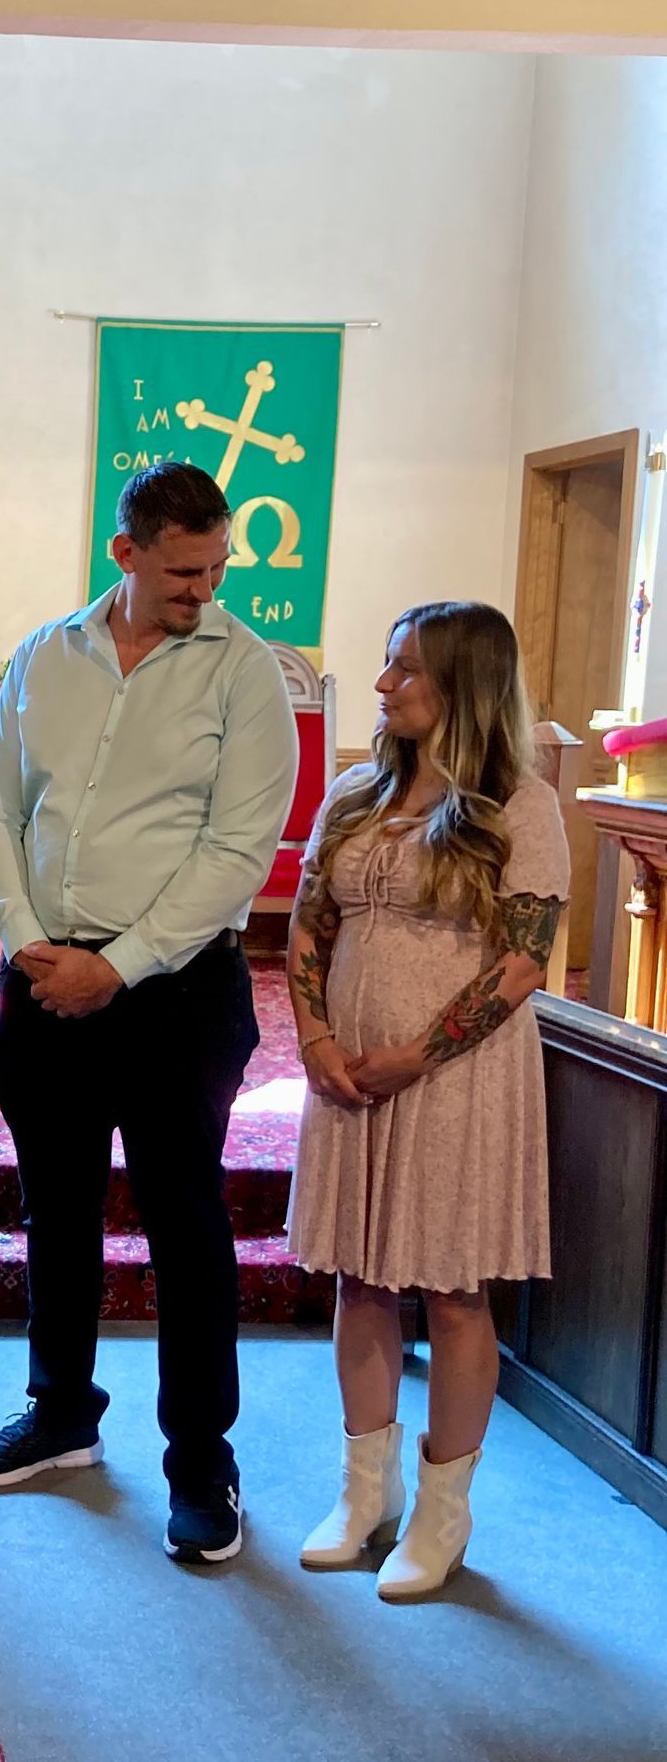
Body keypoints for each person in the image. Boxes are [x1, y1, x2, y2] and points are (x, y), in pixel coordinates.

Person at [0, 460, 298, 1564]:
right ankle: (61, 1413)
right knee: (55, 1209)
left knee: (185, 1225)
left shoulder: (244, 674)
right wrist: (25, 942)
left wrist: (120, 966)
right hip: (43, 978)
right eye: (184, 572)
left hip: (177, 995)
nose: (205, 590)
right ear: (127, 553)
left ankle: (201, 1461)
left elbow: (237, 851)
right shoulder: (45, 655)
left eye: (216, 569)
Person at [287, 603, 568, 1600]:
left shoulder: (520, 804)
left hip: (457, 1077)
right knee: (359, 1279)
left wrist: (413, 1055)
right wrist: (317, 1040)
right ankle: (365, 1494)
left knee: (451, 1290)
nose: (382, 684)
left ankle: (443, 1515)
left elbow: (522, 962)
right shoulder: (356, 794)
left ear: (464, 684)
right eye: (388, 664)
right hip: (349, 1072)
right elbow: (309, 926)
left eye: (405, 668)